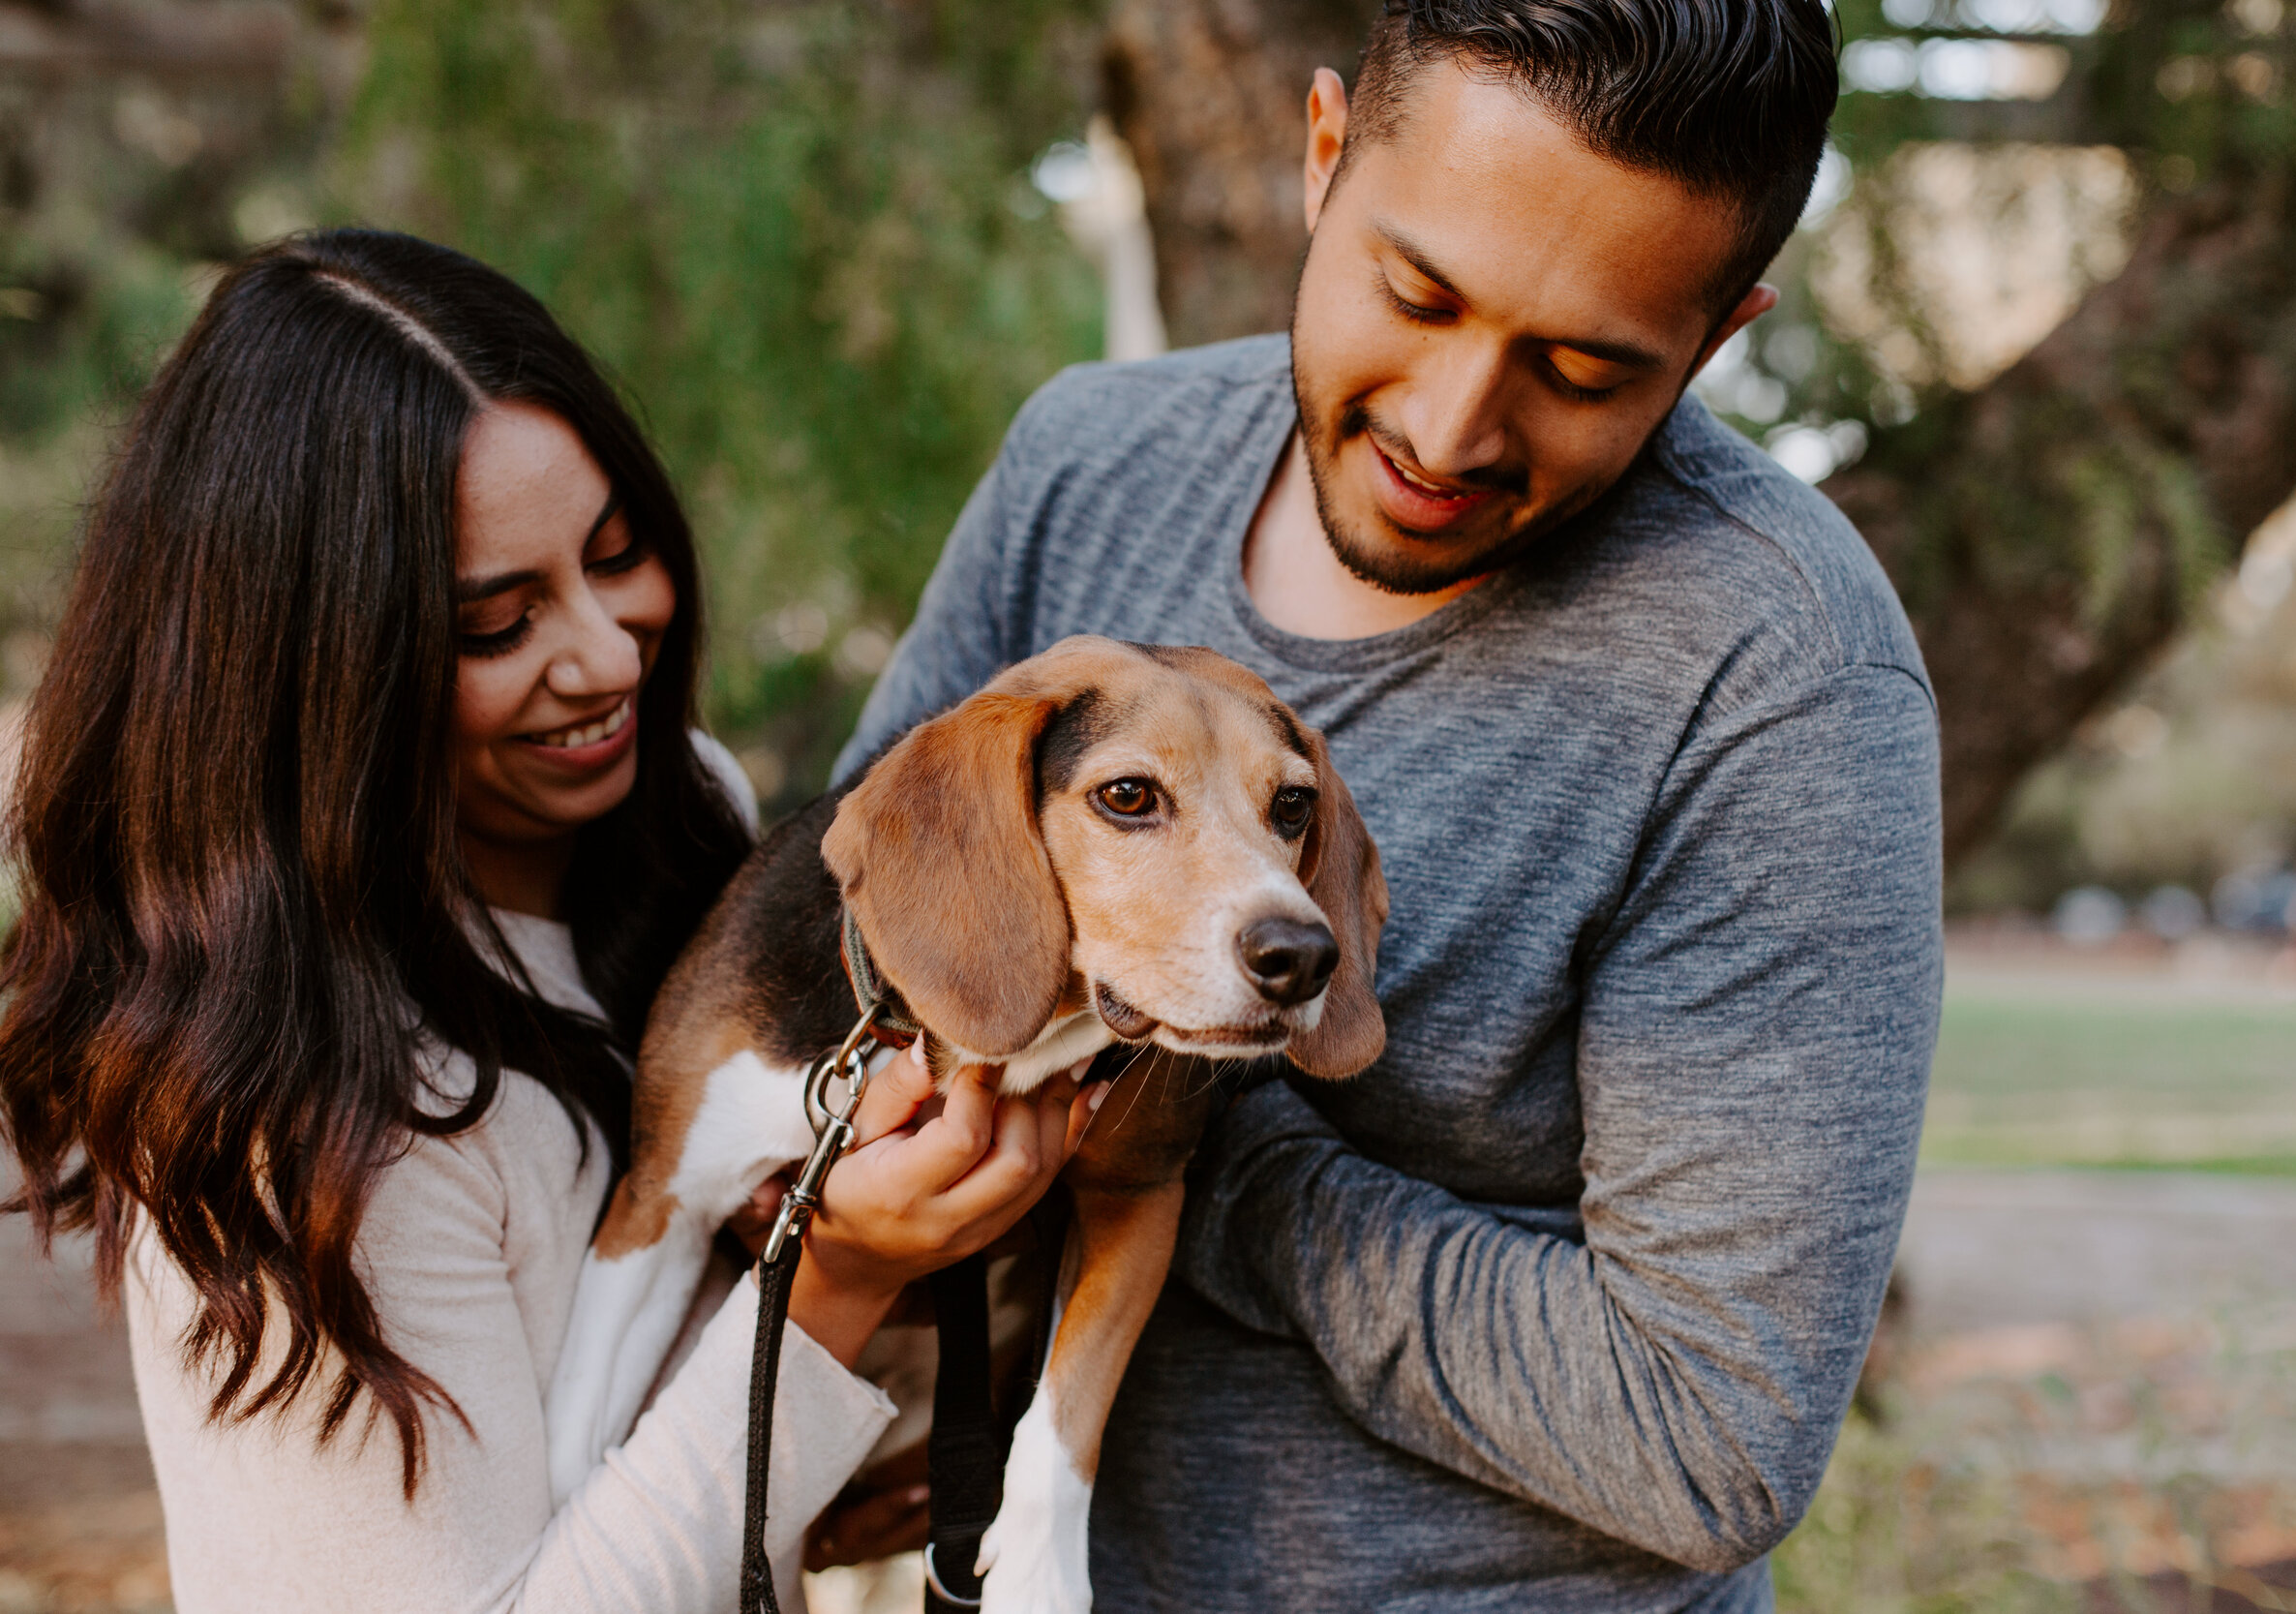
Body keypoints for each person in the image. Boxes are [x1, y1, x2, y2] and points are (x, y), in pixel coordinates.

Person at [833, 1, 1943, 1608]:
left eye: (1578, 369)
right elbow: (856, 940)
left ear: (1715, 338)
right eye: (1414, 296)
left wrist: (1188, 1140)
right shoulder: (1088, 462)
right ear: (1324, 152)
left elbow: (1709, 1438)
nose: (1449, 427)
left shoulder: (1781, 674)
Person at [0, 228, 1097, 1614]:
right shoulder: (300, 1118)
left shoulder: (671, 810)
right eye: (494, 624)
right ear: (319, 675)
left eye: (616, 553)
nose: (606, 653)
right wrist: (832, 1280)